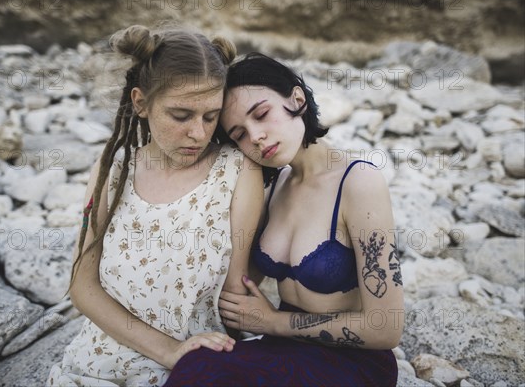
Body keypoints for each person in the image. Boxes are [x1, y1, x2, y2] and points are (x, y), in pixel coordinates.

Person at [164, 53, 404, 386]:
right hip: (283, 349)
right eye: (240, 135)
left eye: (261, 114)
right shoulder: (274, 187)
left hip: (352, 362)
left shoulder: (358, 181)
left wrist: (273, 322)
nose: (256, 137)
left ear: (297, 99)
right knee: (197, 366)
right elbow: (239, 282)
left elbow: (386, 327)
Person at [47, 26, 264, 387]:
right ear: (140, 102)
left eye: (211, 116)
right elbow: (82, 285)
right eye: (181, 115)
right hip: (95, 363)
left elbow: (233, 295)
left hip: (188, 369)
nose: (198, 133)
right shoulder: (112, 170)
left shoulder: (237, 171)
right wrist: (165, 349)